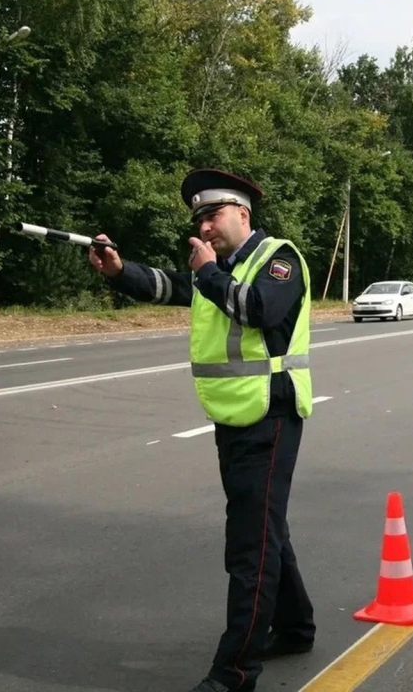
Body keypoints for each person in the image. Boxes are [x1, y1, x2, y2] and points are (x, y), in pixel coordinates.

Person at [89, 168, 316, 692]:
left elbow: (258, 310)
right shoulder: (219, 269)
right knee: (267, 530)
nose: (205, 228)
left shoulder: (279, 259)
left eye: (212, 215)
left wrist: (210, 272)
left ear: (243, 213)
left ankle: (234, 673)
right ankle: (297, 628)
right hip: (234, 417)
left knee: (249, 546)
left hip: (269, 416)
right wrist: (120, 270)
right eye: (199, 220)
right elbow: (171, 285)